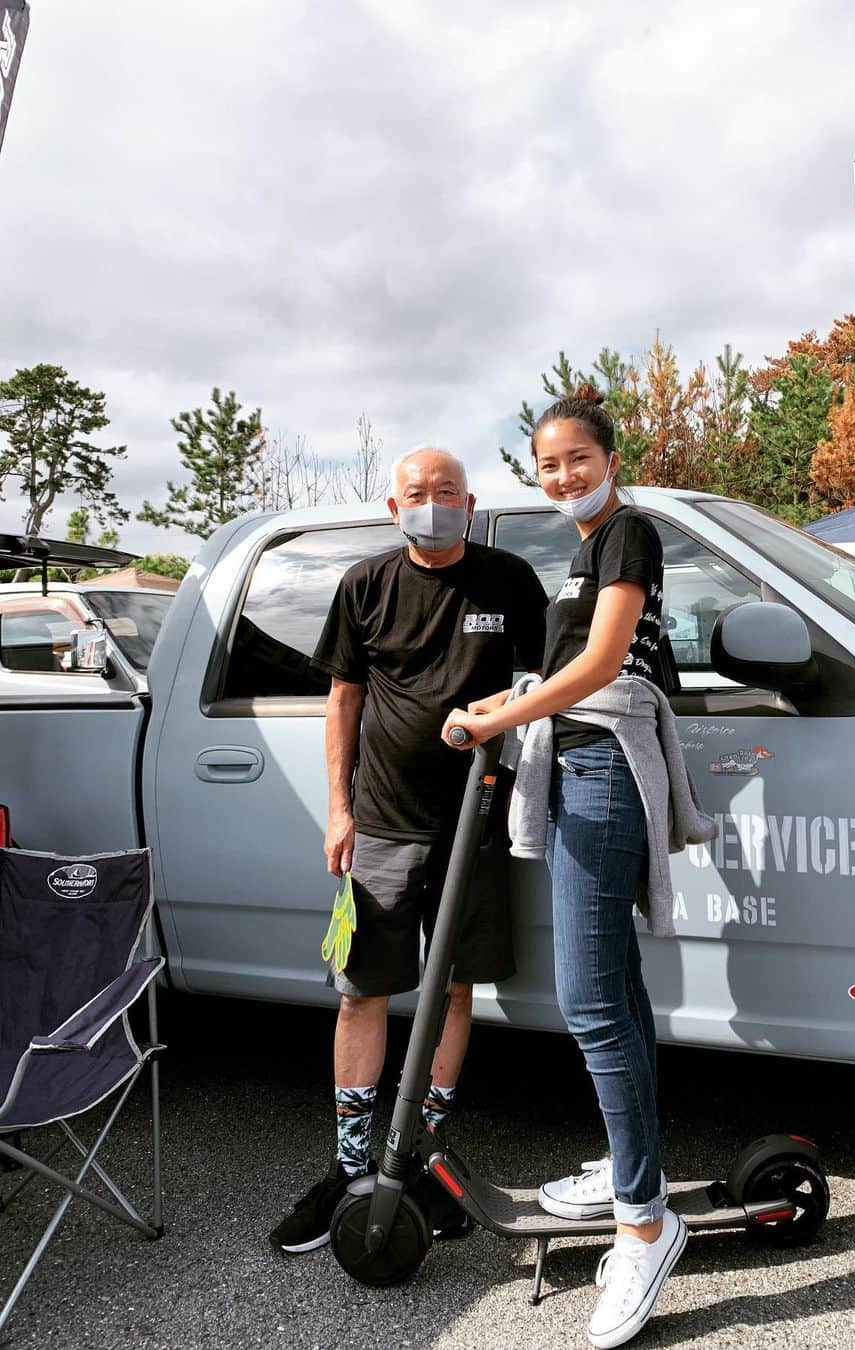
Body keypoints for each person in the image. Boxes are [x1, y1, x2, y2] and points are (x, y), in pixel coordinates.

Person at [441, 389, 714, 1350]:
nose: (563, 477)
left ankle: (645, 1222)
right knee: (620, 996)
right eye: (548, 465)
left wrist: (499, 720)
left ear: (609, 458)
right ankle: (627, 1159)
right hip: (578, 761)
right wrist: (493, 702)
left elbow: (601, 665)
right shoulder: (584, 548)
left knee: (592, 999)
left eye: (577, 460)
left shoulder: (627, 533)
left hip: (598, 768)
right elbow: (562, 671)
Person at [269, 446, 548, 1255]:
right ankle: (350, 1166)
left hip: (477, 822)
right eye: (416, 494)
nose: (432, 503)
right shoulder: (366, 584)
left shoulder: (509, 581)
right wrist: (338, 810)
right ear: (394, 509)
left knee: (453, 990)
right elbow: (344, 700)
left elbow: (544, 685)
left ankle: (419, 1153)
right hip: (384, 823)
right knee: (362, 992)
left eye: (447, 491)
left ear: (471, 502)